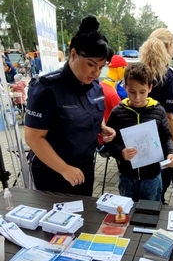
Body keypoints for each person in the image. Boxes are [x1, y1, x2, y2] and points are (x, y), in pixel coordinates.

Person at [25, 15, 116, 196]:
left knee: (84, 218)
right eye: (91, 64)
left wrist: (102, 128)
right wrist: (64, 169)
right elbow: (33, 138)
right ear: (73, 54)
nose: (95, 72)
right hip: (53, 172)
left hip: (85, 169)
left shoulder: (96, 88)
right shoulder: (46, 89)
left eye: (101, 67)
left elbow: (88, 115)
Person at [106, 62, 173, 202]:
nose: (137, 97)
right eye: (132, 92)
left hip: (151, 176)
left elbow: (166, 137)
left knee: (150, 212)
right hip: (127, 176)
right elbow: (109, 142)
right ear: (125, 87)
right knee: (126, 211)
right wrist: (120, 152)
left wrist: (171, 153)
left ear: (150, 88)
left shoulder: (158, 110)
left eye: (142, 92)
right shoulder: (118, 112)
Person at [139, 28, 173, 159]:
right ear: (168, 46)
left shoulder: (139, 69)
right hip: (159, 132)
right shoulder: (168, 76)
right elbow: (169, 116)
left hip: (138, 128)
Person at [100, 55, 127, 122]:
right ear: (118, 69)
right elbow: (122, 118)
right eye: (124, 68)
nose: (125, 72)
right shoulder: (113, 95)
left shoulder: (100, 85)